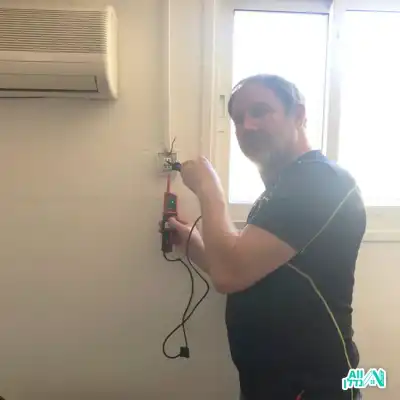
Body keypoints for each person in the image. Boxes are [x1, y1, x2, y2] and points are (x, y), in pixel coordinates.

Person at [167, 74, 366, 400]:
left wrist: (208, 188)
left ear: (298, 115)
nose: (247, 126)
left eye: (260, 111)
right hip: (271, 382)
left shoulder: (320, 180)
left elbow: (230, 272)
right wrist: (191, 241)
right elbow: (245, 271)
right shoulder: (284, 189)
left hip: (313, 384)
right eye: (238, 119)